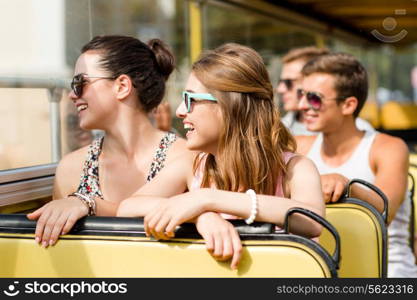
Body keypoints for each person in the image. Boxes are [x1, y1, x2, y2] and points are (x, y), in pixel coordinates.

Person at [117, 43, 325, 270]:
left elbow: (312, 221)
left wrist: (207, 199)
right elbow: (128, 207)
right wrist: (202, 216)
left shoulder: (296, 168)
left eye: (190, 99)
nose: (179, 111)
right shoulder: (193, 163)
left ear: (230, 106)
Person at [27, 35, 187, 247]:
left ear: (122, 86)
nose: (72, 96)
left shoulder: (187, 157)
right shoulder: (70, 169)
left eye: (80, 83)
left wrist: (85, 202)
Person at [295, 52, 417, 277]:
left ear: (349, 105)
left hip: (387, 273)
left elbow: (385, 210)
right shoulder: (299, 146)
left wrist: (346, 185)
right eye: (300, 94)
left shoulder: (387, 147)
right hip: (322, 270)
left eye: (313, 98)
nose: (302, 105)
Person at [277, 46, 373, 135]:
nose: (280, 89)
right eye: (280, 81)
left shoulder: (361, 131)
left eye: (288, 82)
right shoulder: (276, 129)